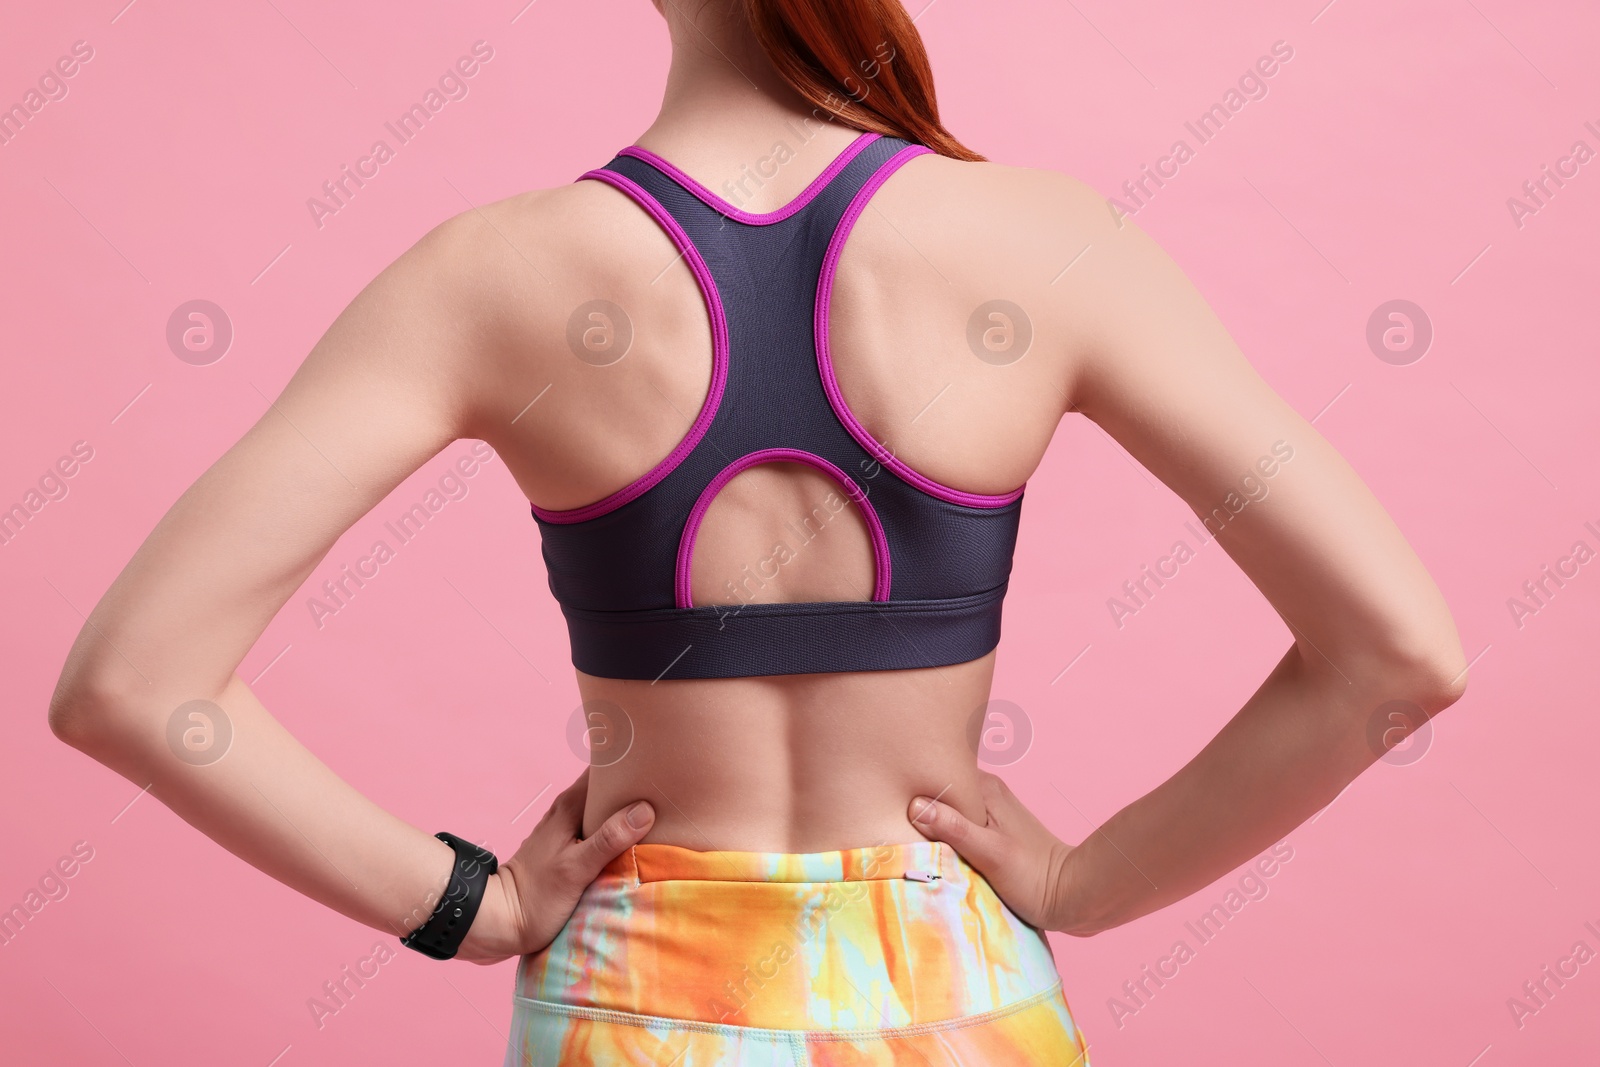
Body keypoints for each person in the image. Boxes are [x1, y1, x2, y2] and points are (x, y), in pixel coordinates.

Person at [47, 0, 1469, 1063]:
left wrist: (462, 905)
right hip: (954, 1001)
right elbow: (1395, 657)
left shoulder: (490, 276)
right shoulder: (1049, 247)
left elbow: (131, 686)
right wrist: (1083, 883)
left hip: (633, 1005)